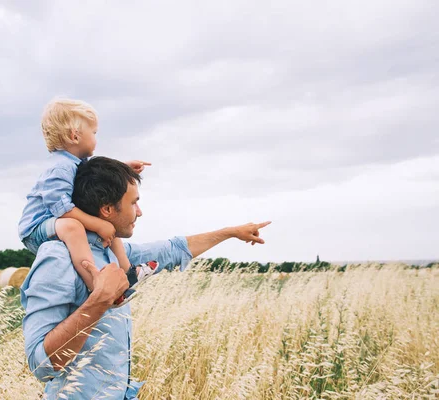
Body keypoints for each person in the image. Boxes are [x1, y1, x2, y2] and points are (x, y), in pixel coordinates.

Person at [21, 156, 271, 399]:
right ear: (107, 209)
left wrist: (230, 233)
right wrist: (99, 300)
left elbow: (172, 249)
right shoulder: (57, 258)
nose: (139, 212)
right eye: (133, 203)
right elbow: (40, 365)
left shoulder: (114, 252)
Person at [17, 98, 157, 306]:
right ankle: (97, 286)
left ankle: (128, 274)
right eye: (94, 133)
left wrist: (123, 168)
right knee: (75, 226)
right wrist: (97, 224)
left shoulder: (75, 163)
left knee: (112, 227)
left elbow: (95, 177)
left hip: (58, 222)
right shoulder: (60, 167)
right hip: (37, 227)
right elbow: (61, 209)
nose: (96, 138)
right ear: (75, 136)